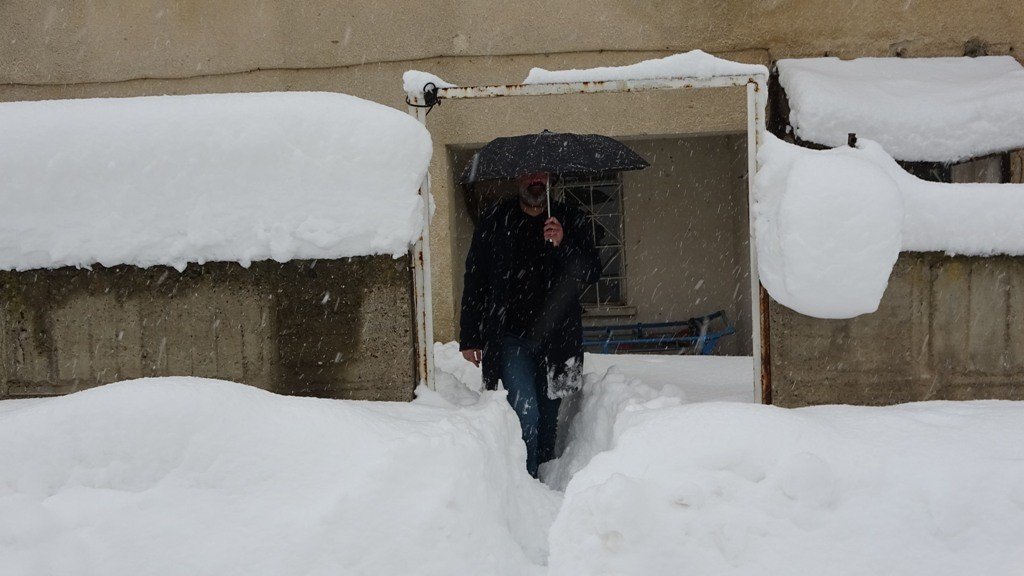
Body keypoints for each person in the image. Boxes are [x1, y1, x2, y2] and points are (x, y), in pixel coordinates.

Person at [459, 172, 601, 477]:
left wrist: (563, 243)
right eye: (529, 172)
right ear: (517, 178)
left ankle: (547, 478)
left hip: (558, 339)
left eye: (542, 173)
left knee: (549, 418)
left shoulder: (569, 218)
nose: (535, 179)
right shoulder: (496, 220)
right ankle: (526, 482)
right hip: (511, 338)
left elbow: (591, 271)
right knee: (527, 413)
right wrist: (470, 335)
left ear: (549, 178)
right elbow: (476, 278)